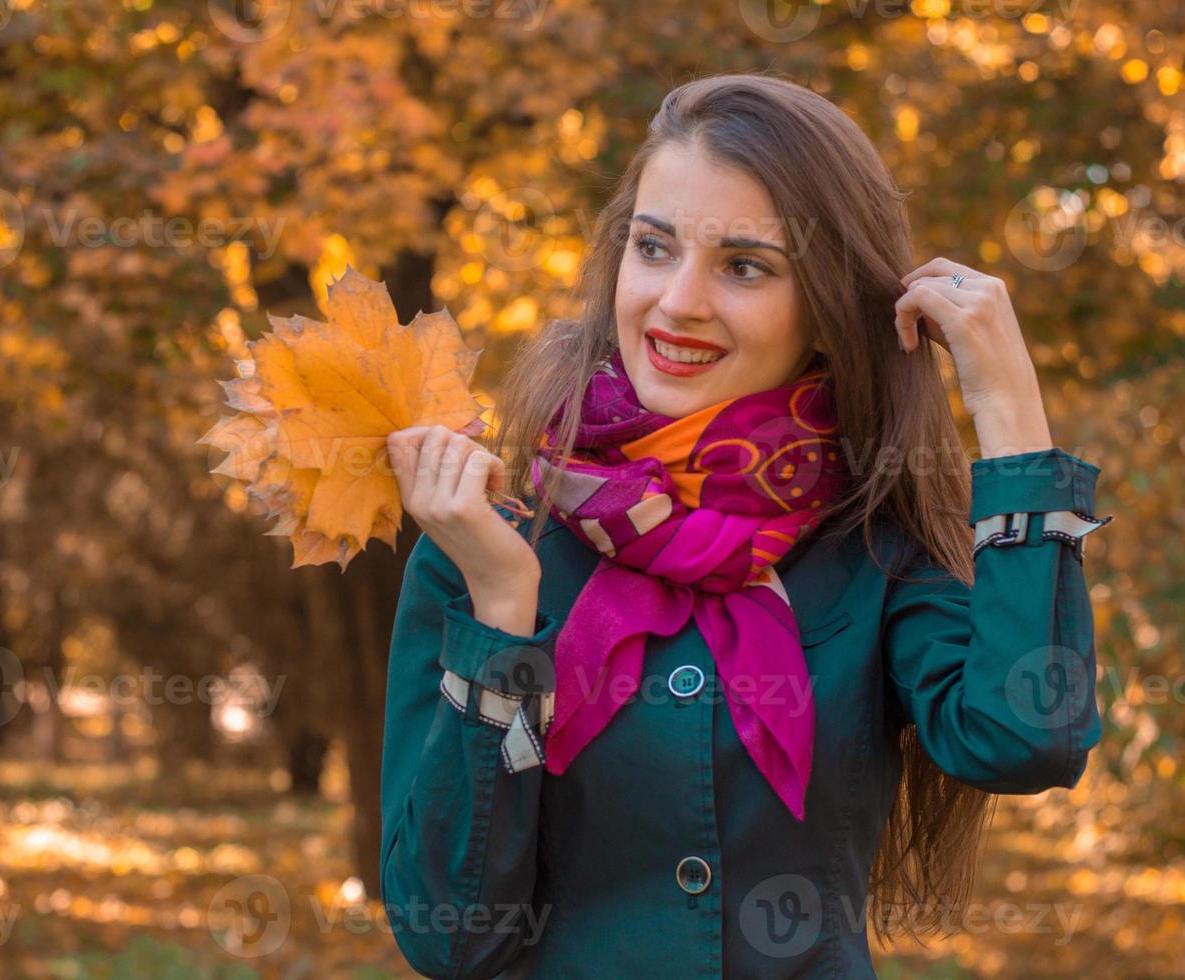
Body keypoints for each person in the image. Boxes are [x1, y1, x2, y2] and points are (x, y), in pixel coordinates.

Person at [377, 72, 1112, 979]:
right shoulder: (490, 541)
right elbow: (449, 937)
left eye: (744, 266)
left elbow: (1024, 737)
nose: (679, 301)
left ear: (829, 305)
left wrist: (1008, 412)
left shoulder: (873, 550)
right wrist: (501, 613)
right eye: (655, 248)